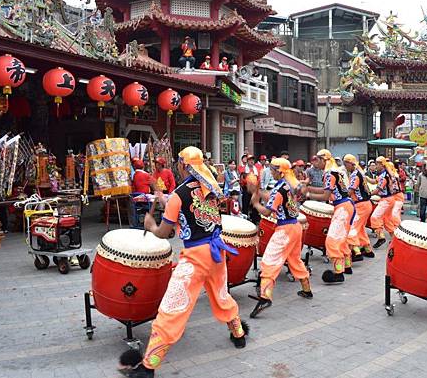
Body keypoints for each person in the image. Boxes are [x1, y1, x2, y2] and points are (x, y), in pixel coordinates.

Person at [118, 147, 248, 378]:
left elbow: (163, 232)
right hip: (216, 253)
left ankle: (148, 366)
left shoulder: (178, 194)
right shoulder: (210, 186)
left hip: (195, 259)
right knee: (221, 295)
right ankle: (238, 334)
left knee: (172, 309)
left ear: (182, 165)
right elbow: (190, 204)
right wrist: (163, 197)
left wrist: (149, 225)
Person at [248, 158, 313, 317]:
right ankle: (306, 289)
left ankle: (265, 296)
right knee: (295, 259)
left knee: (269, 260)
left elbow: (268, 212)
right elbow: (273, 197)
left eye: (272, 170)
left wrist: (256, 204)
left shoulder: (279, 190)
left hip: (285, 230)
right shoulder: (290, 184)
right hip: (296, 227)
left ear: (280, 171)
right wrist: (258, 193)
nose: (271, 172)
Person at [304, 149, 355, 283]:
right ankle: (347, 266)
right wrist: (308, 188)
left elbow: (326, 195)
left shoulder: (329, 173)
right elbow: (326, 190)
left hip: (342, 208)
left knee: (332, 241)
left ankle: (338, 273)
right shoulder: (335, 171)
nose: (316, 163)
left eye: (317, 160)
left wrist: (307, 195)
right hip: (346, 206)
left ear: (323, 160)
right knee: (342, 238)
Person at [344, 154, 375, 260]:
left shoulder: (355, 175)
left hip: (361, 205)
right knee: (360, 228)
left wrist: (340, 197)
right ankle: (368, 250)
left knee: (352, 228)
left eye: (346, 164)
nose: (345, 166)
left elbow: (350, 191)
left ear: (351, 163)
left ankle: (356, 252)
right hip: (365, 204)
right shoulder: (360, 172)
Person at [370, 156, 393, 249]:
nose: (376, 166)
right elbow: (374, 181)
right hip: (390, 199)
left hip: (386, 200)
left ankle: (381, 237)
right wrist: (366, 178)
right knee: (387, 221)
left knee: (374, 217)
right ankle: (395, 239)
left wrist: (369, 194)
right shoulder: (384, 174)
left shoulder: (384, 176)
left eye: (377, 164)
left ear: (381, 165)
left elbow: (378, 189)